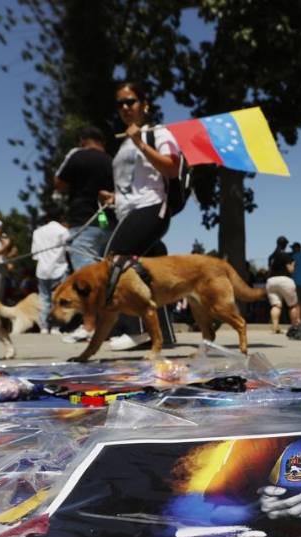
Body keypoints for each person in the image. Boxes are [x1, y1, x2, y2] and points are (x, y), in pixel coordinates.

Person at [98, 80, 179, 351]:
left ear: (145, 104)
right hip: (128, 210)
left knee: (114, 262)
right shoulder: (124, 143)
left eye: (130, 101)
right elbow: (134, 182)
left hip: (151, 207)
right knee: (149, 274)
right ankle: (162, 334)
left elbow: (170, 168)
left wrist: (140, 142)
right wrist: (113, 198)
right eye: (120, 103)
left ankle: (139, 331)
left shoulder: (158, 133)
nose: (125, 107)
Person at [54, 126, 114, 272]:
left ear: (82, 140)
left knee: (87, 275)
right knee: (104, 269)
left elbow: (59, 184)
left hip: (83, 221)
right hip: (106, 221)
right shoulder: (112, 161)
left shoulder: (77, 156)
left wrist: (68, 158)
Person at [31, 210, 70, 332]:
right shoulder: (63, 231)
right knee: (58, 299)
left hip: (42, 270)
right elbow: (69, 249)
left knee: (44, 299)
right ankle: (56, 326)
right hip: (59, 268)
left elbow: (34, 255)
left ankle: (43, 327)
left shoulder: (37, 232)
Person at [266, 235, 300, 333]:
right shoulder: (286, 256)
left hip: (271, 281)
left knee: (276, 305)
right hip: (284, 280)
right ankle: (294, 327)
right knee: (293, 305)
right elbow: (290, 270)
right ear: (285, 245)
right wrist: (293, 263)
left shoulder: (271, 256)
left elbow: (270, 269)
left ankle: (275, 327)